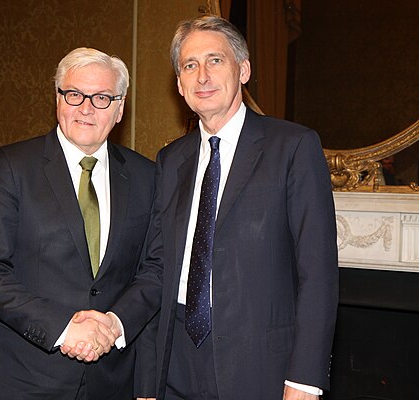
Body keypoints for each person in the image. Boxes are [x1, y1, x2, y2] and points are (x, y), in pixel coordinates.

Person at [65, 16, 339, 400]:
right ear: (178, 84)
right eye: (189, 66)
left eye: (215, 61)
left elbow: (318, 274)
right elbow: (157, 268)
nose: (202, 76)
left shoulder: (292, 148)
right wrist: (141, 369)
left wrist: (304, 380)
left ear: (243, 70)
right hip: (174, 359)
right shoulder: (170, 160)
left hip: (259, 364)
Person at [0, 47, 156, 400]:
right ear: (58, 99)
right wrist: (63, 329)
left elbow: (155, 269)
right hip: (21, 378)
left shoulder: (147, 176)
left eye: (101, 97)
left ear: (120, 108)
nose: (86, 107)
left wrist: (115, 324)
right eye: (75, 94)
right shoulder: (11, 166)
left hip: (112, 381)